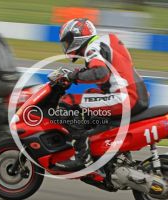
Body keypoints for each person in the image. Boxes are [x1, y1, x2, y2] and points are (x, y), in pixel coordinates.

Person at [54, 18, 149, 171]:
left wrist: (73, 76)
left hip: (125, 98)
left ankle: (82, 158)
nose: (65, 45)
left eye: (67, 40)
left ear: (78, 37)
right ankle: (103, 151)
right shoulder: (105, 43)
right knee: (90, 94)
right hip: (135, 95)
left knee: (68, 101)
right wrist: (77, 74)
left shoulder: (93, 48)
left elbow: (100, 73)